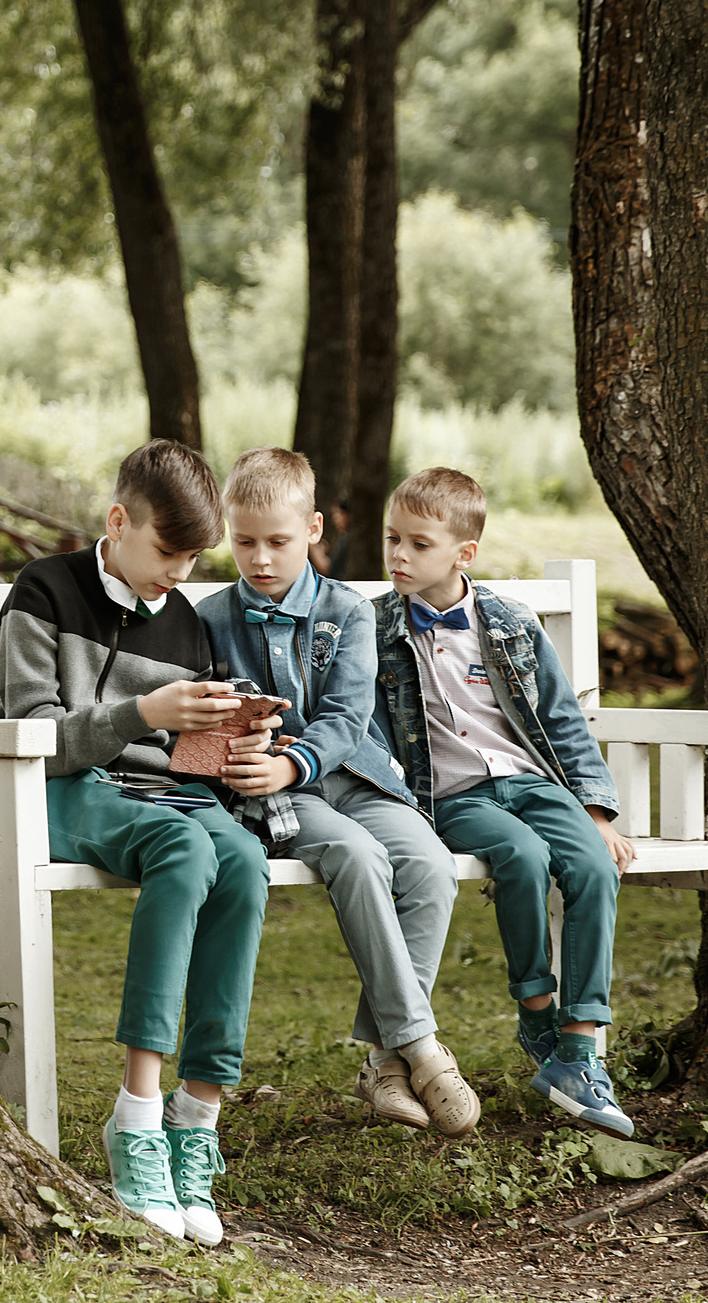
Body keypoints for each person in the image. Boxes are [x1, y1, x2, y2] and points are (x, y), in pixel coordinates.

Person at [0, 438, 272, 1246]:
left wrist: (239, 740)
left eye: (192, 558)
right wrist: (142, 713)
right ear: (119, 522)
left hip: (167, 794)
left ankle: (197, 1115)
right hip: (62, 790)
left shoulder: (183, 620)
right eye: (167, 551)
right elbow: (32, 736)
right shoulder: (43, 590)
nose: (178, 573)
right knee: (187, 850)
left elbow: (187, 757)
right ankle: (137, 1114)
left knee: (243, 860)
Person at [193, 448, 478, 1136]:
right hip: (282, 799)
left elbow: (349, 718)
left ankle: (384, 1061)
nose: (261, 559)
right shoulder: (208, 617)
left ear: (314, 528)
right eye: (244, 542)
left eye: (278, 541)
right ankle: (421, 1048)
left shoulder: (347, 611)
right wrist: (245, 757)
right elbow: (203, 725)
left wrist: (294, 762)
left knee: (430, 864)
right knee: (356, 855)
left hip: (359, 778)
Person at [370, 466, 640, 1137]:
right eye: (393, 538)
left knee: (593, 864)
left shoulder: (511, 622)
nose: (399, 555)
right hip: (454, 795)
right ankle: (535, 1010)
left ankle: (577, 1050)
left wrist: (597, 813)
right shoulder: (375, 628)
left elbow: (563, 720)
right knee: (521, 855)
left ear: (464, 553)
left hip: (532, 781)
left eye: (419, 544)